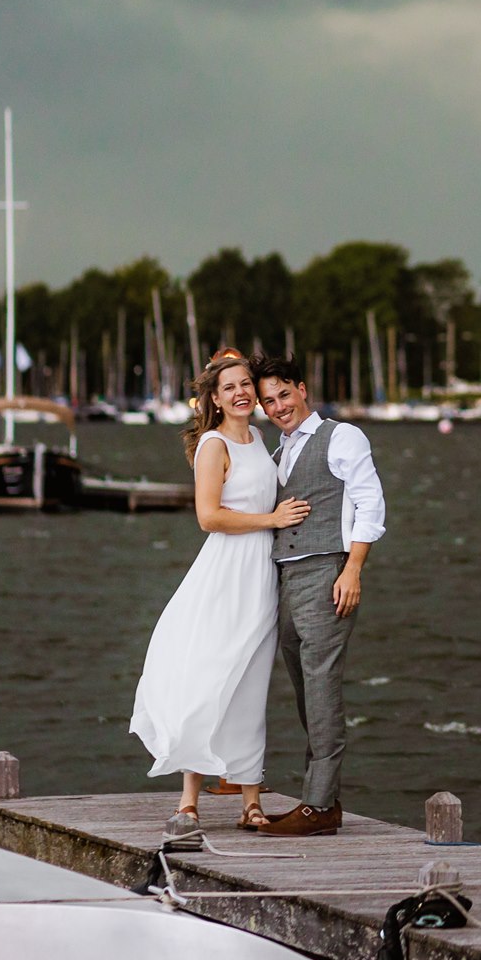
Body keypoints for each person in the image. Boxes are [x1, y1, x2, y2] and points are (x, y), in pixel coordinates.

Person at [129, 352, 309, 836]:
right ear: (214, 398)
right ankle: (188, 803)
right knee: (211, 678)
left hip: (260, 578)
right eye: (229, 387)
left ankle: (251, 801)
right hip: (224, 574)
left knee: (250, 686)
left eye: (246, 383)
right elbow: (208, 517)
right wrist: (271, 519)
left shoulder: (259, 440)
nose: (241, 392)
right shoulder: (213, 444)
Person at [248, 353, 386, 837]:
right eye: (269, 400)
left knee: (322, 686)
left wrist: (352, 569)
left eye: (284, 394)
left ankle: (319, 806)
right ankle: (322, 797)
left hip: (327, 571)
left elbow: (371, 501)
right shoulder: (278, 451)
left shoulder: (341, 436)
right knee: (307, 691)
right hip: (285, 580)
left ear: (302, 389)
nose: (278, 406)